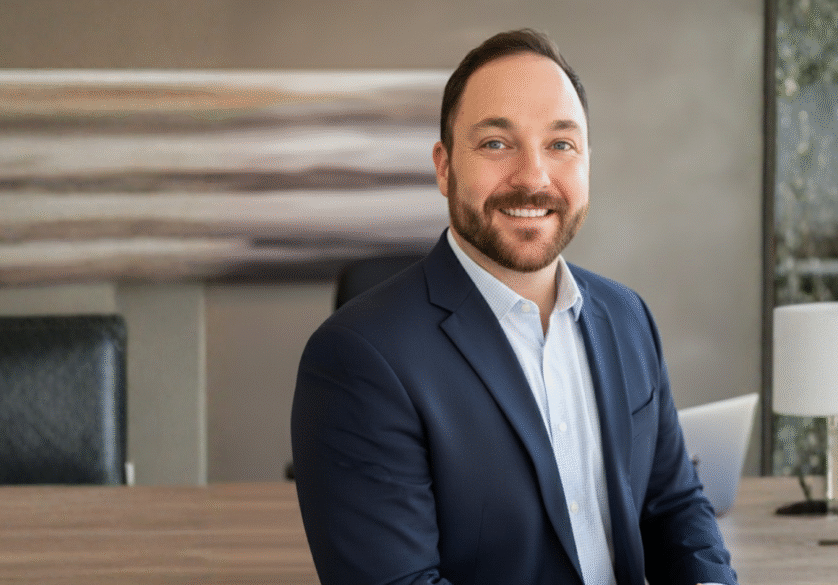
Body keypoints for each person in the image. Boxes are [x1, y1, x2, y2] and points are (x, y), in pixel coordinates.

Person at [291, 28, 738, 585]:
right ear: (444, 166)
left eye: (561, 144)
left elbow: (674, 508)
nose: (533, 178)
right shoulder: (356, 359)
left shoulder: (627, 319)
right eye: (496, 144)